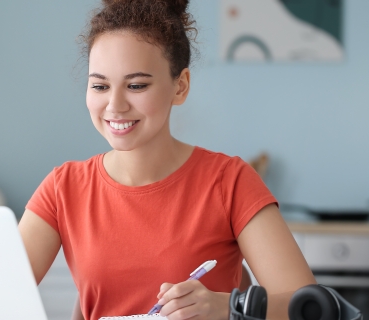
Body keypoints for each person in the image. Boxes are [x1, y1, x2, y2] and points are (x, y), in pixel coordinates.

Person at [18, 0, 316, 319]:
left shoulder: (230, 181)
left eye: (136, 85)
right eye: (100, 85)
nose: (114, 105)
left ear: (180, 86)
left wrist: (228, 309)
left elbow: (311, 307)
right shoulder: (63, 188)